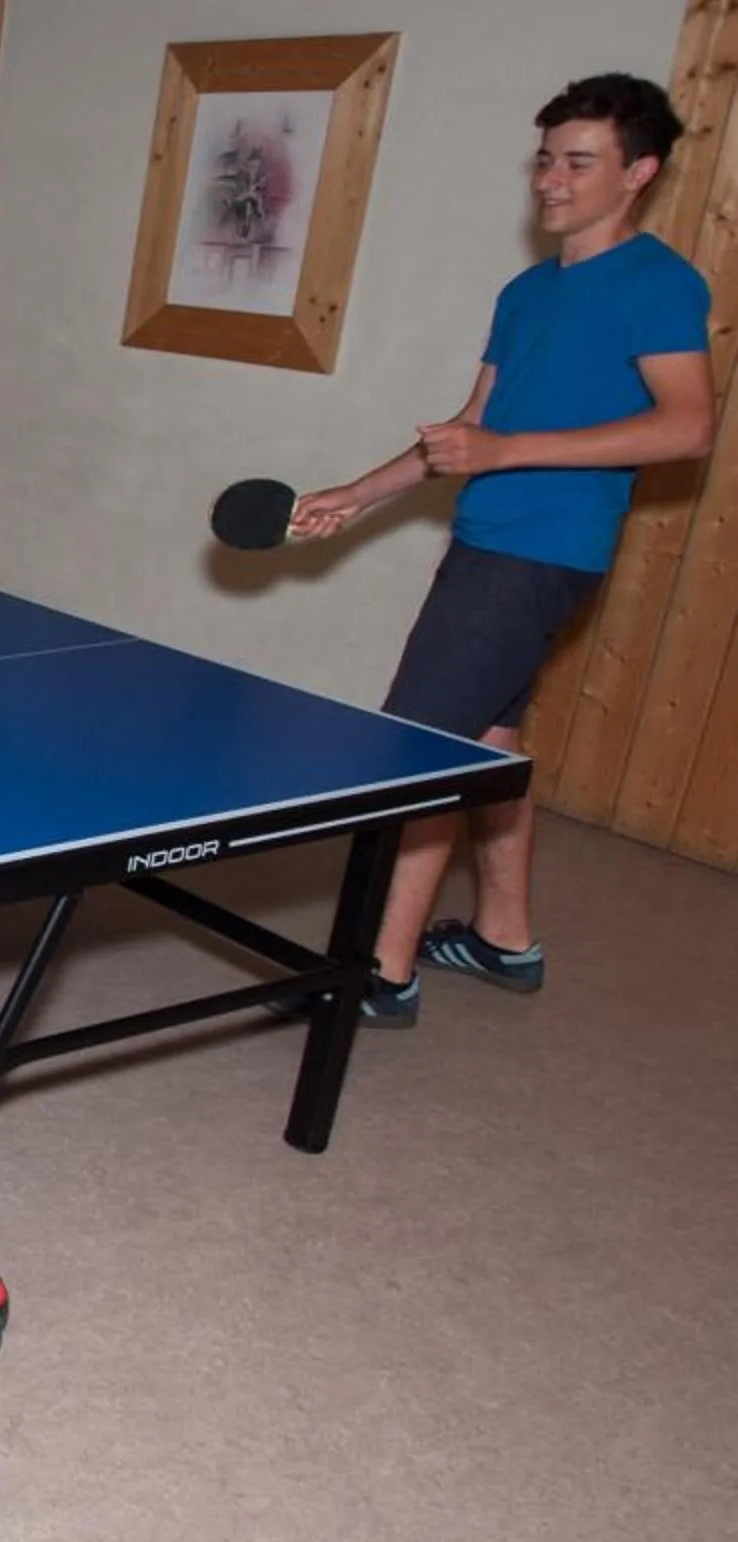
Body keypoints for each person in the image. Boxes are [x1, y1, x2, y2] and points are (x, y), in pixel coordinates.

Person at [289, 74, 712, 1028]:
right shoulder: (527, 291)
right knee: (487, 742)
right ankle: (504, 937)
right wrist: (356, 495)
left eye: (579, 163)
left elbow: (688, 427)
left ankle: (380, 974)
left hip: (540, 552)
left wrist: (508, 451)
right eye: (546, 159)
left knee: (412, 758)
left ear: (638, 173)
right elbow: (471, 430)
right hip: (490, 540)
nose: (551, 180)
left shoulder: (659, 284)